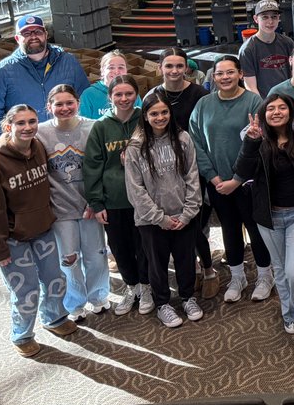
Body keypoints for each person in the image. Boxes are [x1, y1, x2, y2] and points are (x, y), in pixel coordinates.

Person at [0, 103, 79, 356]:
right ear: (8, 127)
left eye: (32, 122)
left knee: (56, 279)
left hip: (43, 229)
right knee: (26, 290)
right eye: (21, 123)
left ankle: (54, 318)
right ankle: (22, 334)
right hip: (14, 239)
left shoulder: (38, 148)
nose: (28, 127)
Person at [188, 56, 271, 304]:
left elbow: (260, 143)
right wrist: (213, 178)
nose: (225, 77)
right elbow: (196, 144)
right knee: (229, 229)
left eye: (230, 72)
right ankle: (237, 276)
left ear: (240, 74)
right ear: (213, 77)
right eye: (220, 73)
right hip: (217, 184)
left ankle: (265, 276)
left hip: (247, 183)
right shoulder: (203, 104)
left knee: (256, 231)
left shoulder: (253, 101)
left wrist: (237, 179)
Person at [236, 93, 294, 333]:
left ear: (291, 112)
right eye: (271, 108)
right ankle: (289, 313)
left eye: (282, 107)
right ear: (263, 113)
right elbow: (241, 171)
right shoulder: (257, 139)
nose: (277, 112)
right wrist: (251, 142)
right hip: (269, 217)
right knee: (280, 269)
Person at [123, 92, 202, 328]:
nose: (160, 117)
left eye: (164, 112)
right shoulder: (136, 146)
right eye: (154, 113)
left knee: (186, 259)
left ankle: (188, 297)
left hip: (183, 215)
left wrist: (188, 212)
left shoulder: (183, 138)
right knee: (156, 263)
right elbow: (135, 189)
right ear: (145, 116)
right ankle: (163, 304)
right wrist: (161, 219)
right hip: (151, 221)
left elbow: (193, 176)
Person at [143, 47, 214, 299]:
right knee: (174, 224)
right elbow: (145, 129)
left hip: (194, 165)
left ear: (187, 68)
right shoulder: (153, 95)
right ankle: (190, 270)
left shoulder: (199, 94)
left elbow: (207, 129)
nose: (174, 71)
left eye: (179, 66)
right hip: (164, 170)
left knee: (194, 223)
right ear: (160, 67)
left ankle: (207, 269)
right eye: (169, 66)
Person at [37, 84, 109, 320]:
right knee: (68, 259)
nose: (65, 108)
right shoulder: (39, 133)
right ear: (49, 107)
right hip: (60, 208)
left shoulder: (94, 128)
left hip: (90, 205)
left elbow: (103, 167)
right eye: (58, 104)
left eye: (70, 103)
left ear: (78, 103)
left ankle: (98, 296)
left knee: (96, 255)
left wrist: (96, 201)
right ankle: (74, 303)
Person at [84, 74, 152, 316]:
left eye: (129, 94)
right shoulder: (101, 127)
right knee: (120, 247)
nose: (124, 99)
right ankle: (132, 286)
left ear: (136, 95)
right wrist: (96, 201)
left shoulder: (145, 120)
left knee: (144, 246)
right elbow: (92, 167)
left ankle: (146, 287)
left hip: (144, 198)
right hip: (114, 200)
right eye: (118, 94)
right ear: (110, 97)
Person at [0, 14, 91, 137]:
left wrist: (83, 135)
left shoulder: (68, 62)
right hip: (26, 142)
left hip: (67, 137)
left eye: (38, 32)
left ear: (45, 34)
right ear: (17, 38)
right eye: (26, 34)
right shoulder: (2, 72)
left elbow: (85, 98)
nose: (33, 36)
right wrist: (6, 146)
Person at [240, 0, 294, 96]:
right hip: (264, 103)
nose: (270, 21)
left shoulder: (287, 43)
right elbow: (250, 86)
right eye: (265, 17)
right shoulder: (247, 49)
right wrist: (263, 106)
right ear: (256, 19)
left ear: (279, 18)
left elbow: (293, 75)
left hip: (287, 100)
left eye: (274, 17)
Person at [78, 52, 140, 119]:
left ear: (126, 71)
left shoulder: (132, 92)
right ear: (102, 71)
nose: (116, 71)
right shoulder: (89, 94)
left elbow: (140, 120)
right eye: (111, 67)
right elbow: (83, 125)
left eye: (121, 67)